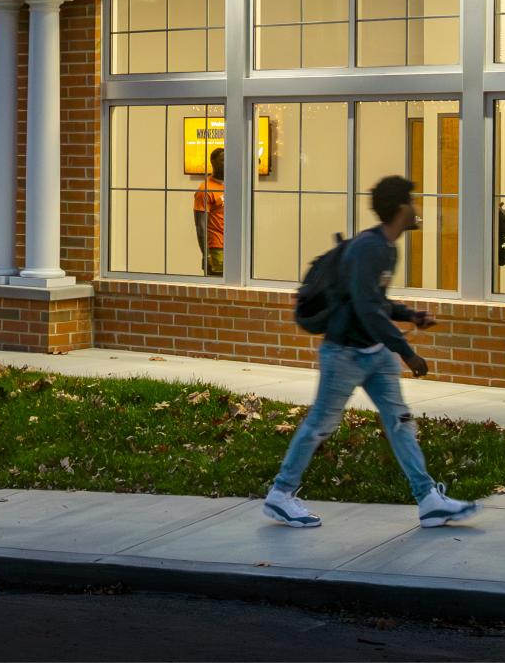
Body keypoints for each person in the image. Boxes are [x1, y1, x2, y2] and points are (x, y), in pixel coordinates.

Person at [261, 174, 479, 530]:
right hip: (344, 352)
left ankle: (428, 500)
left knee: (400, 422)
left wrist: (410, 315)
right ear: (399, 208)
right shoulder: (370, 248)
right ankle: (281, 495)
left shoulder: (386, 248)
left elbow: (374, 301)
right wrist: (407, 352)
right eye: (412, 201)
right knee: (321, 424)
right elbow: (366, 308)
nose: (416, 207)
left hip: (374, 354)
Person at [191, 147, 225, 276]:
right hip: (216, 248)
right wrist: (206, 255)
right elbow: (200, 226)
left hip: (233, 246)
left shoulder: (231, 184)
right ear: (213, 162)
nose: (226, 163)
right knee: (219, 290)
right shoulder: (205, 190)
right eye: (222, 160)